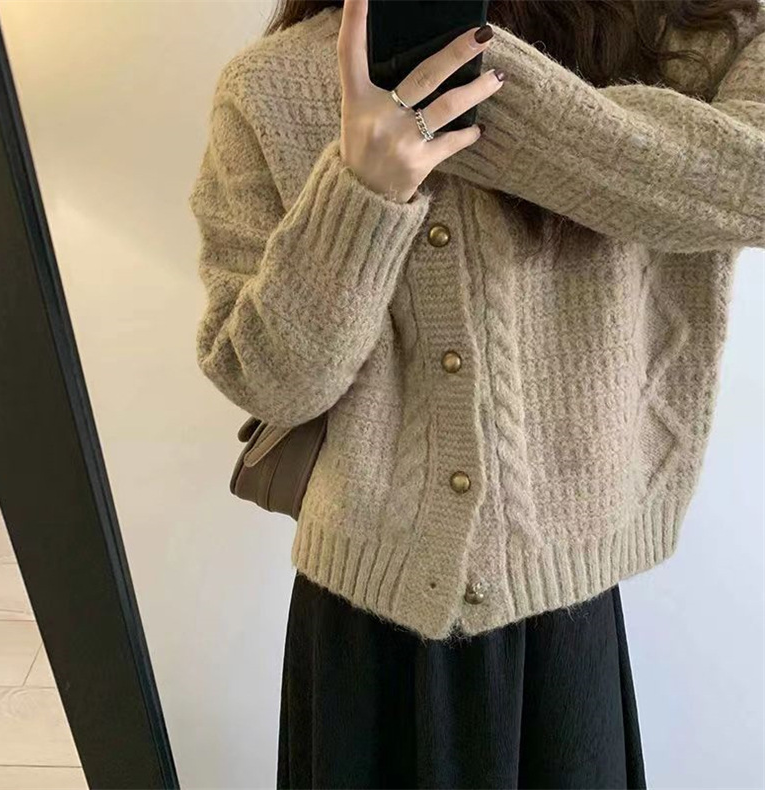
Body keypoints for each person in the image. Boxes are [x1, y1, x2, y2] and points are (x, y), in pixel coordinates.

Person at [189, 0, 765, 787]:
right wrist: (361, 192)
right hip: (364, 623)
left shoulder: (675, 37)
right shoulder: (271, 87)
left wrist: (488, 92)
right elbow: (266, 382)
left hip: (564, 617)